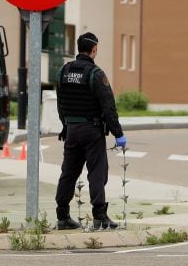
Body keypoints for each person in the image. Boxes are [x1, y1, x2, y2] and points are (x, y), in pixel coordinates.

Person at [54, 32, 126, 230]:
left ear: (79, 48)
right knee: (96, 172)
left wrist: (66, 126)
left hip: (72, 130)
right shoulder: (96, 73)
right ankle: (100, 216)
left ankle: (62, 216)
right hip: (92, 131)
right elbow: (108, 107)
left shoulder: (64, 72)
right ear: (94, 50)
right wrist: (118, 134)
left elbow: (61, 104)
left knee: (68, 172)